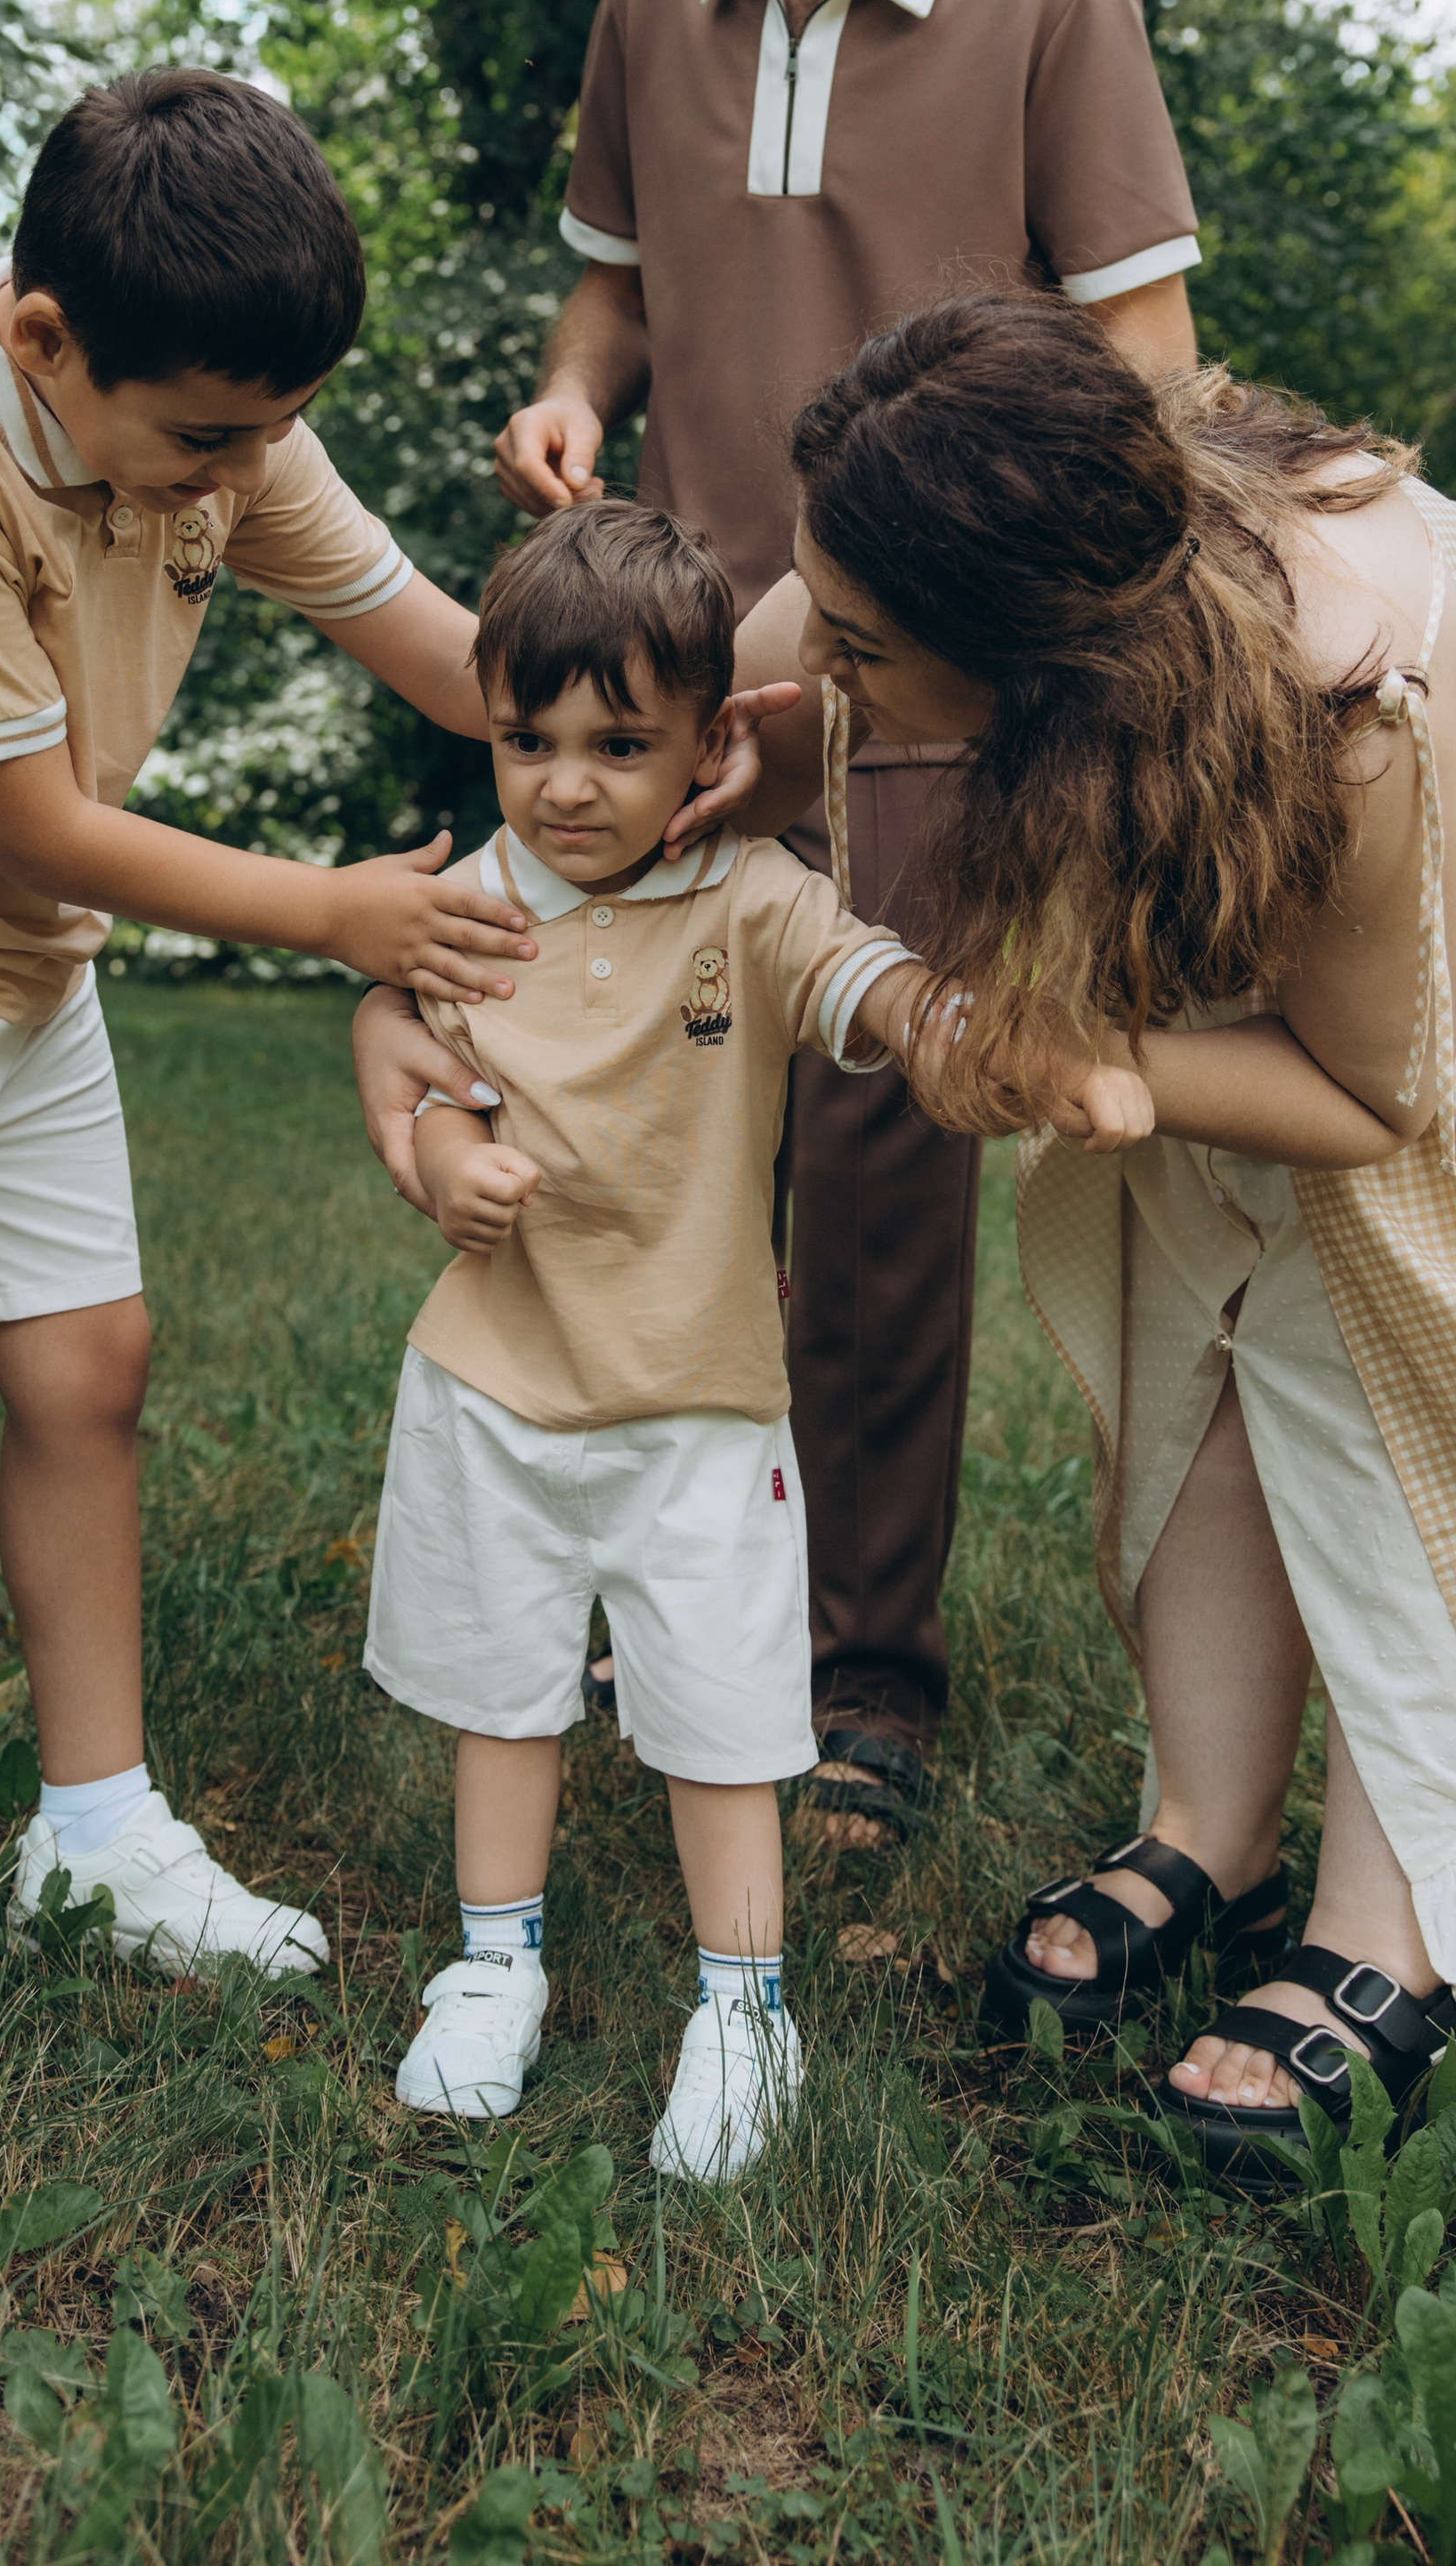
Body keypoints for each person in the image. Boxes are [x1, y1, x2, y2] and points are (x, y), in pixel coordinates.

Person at [0, 67, 691, 2221]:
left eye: (265, 430)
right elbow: (18, 831)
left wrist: (673, 718)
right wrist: (340, 915)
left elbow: (437, 647)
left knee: (88, 1376)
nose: (242, 472)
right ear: (43, 343)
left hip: (22, 989)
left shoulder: (221, 418)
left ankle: (94, 1834)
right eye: (209, 437)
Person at [727, 292, 1456, 2176]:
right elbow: (817, 624)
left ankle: (1402, 1917)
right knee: (1203, 1270)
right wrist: (743, 729)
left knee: (1396, 1333)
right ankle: (1211, 1821)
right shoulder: (1025, 566)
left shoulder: (1328, 716)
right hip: (1262, 774)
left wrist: (1045, 1051)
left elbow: (1372, 1099)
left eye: (865, 656)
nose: (835, 687)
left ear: (1027, 654)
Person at [484, 0, 1202, 1847]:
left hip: (914, 705)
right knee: (634, 1149)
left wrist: (890, 589)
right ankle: (639, 1588)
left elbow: (1152, 383)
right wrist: (563, 397)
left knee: (877, 1191)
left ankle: (856, 1679)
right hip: (662, 707)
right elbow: (613, 280)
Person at [360, 501, 933, 2180]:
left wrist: (939, 1020)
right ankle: (494, 1961)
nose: (566, 783)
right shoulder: (471, 902)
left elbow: (859, 981)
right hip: (496, 1388)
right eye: (527, 740)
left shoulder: (747, 898)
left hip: (695, 1401)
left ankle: (745, 2004)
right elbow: (402, 1044)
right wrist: (445, 1158)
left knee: (725, 1717)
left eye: (619, 742)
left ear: (706, 738)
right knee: (503, 1695)